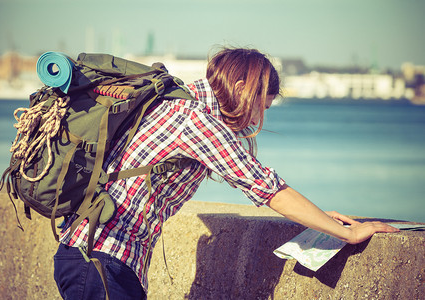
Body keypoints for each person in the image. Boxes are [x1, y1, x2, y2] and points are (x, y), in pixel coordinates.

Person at [53, 47, 399, 299]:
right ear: (242, 85)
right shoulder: (197, 120)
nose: (253, 120)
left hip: (92, 258)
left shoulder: (176, 104)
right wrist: (347, 234)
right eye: (260, 106)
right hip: (101, 262)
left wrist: (321, 218)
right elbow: (266, 187)